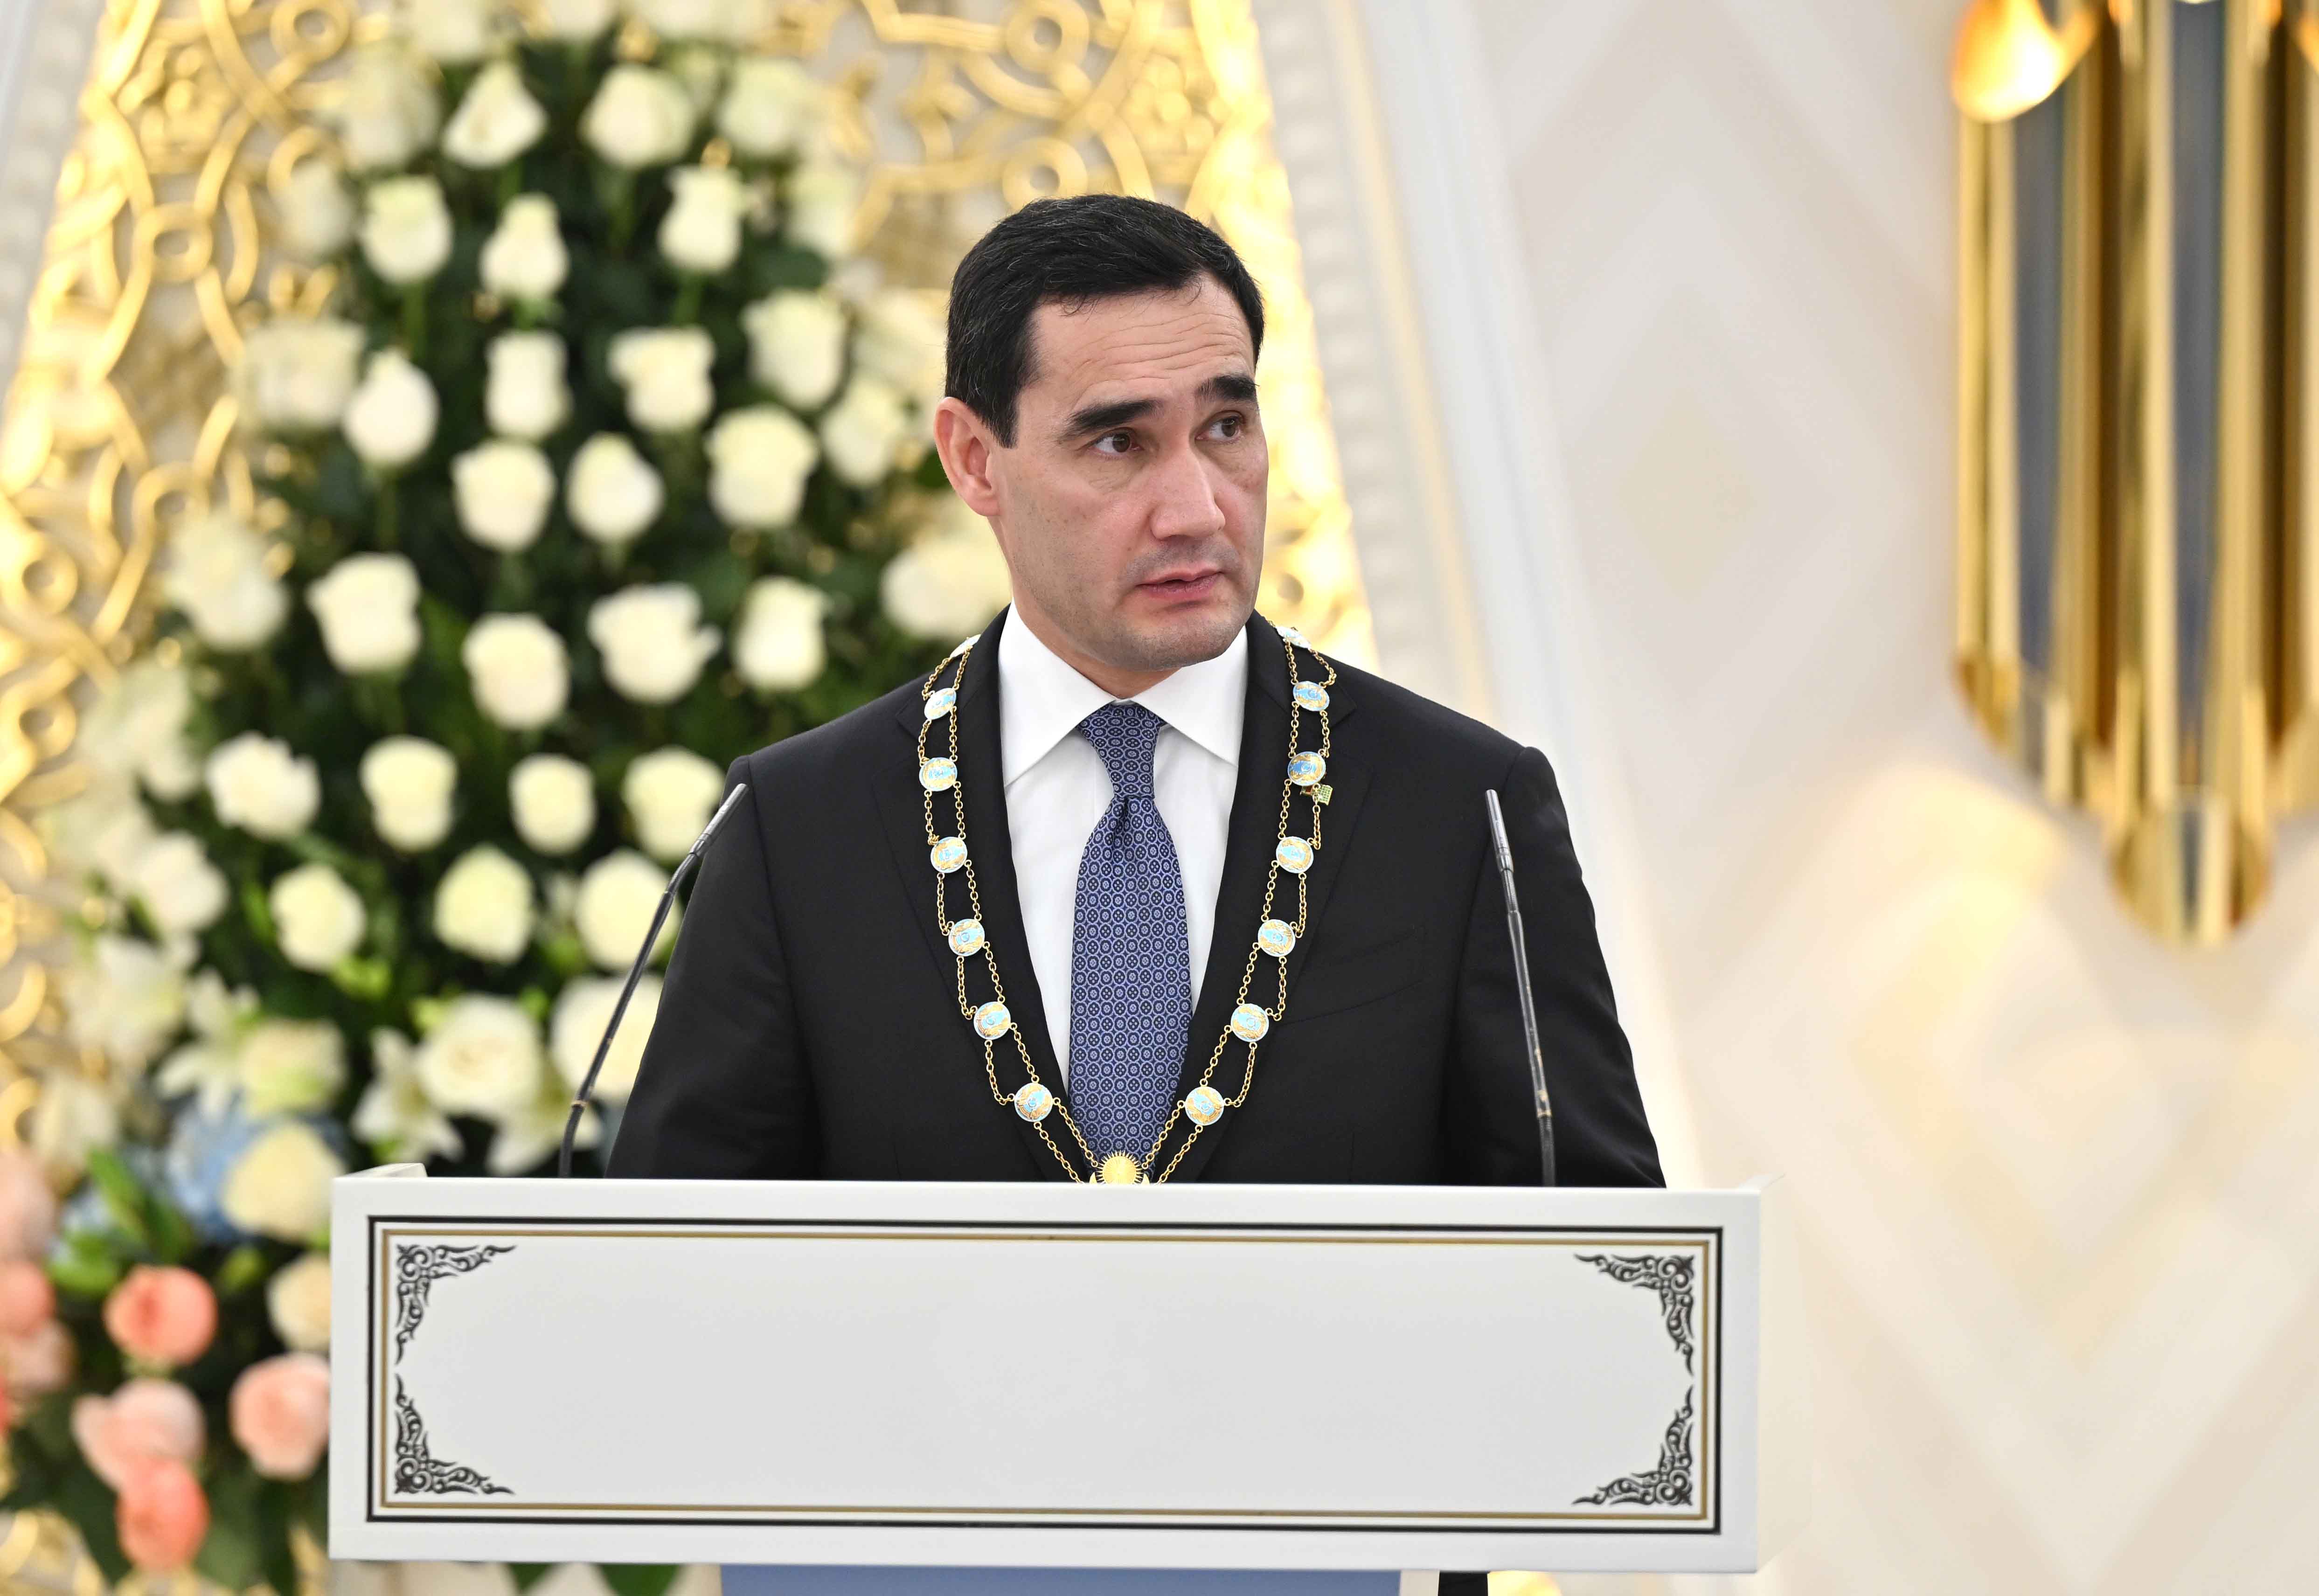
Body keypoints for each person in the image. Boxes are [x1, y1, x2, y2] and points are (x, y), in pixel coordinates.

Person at [611, 190, 1660, 1596]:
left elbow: (1601, 1283)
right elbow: (667, 1294)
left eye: (1226, 427)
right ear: (973, 459)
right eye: (1119, 442)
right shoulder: (801, 827)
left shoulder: (1457, 807)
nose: (1197, 506)